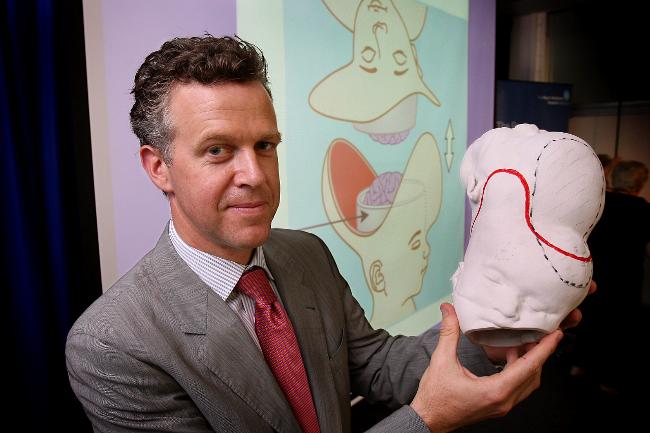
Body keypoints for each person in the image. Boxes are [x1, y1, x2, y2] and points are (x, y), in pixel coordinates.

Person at [66, 35, 584, 433]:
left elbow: (379, 367)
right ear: (158, 167)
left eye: (265, 145)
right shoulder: (114, 345)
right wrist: (426, 421)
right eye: (218, 150)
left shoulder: (303, 253)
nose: (255, 174)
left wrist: (495, 330)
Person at [574, 160, 649, 395]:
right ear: (639, 183)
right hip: (624, 279)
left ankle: (580, 366)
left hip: (593, 274)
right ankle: (609, 380)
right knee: (619, 328)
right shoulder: (642, 209)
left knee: (589, 318)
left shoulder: (597, 203)